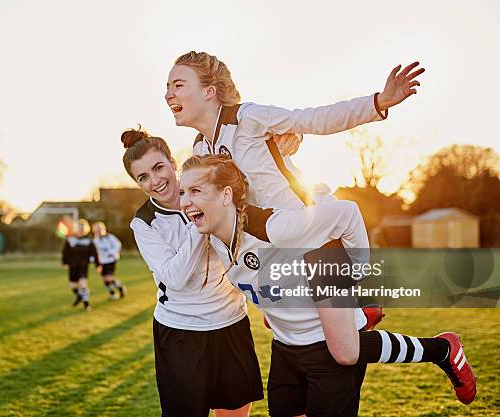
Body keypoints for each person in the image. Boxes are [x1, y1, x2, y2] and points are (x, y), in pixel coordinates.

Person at [179, 154, 477, 417]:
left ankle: (441, 349)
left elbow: (344, 212)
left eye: (195, 191)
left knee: (346, 351)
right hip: (285, 347)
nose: (185, 201)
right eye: (183, 192)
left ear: (225, 195)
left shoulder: (274, 226)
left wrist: (356, 275)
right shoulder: (212, 239)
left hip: (325, 345)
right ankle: (364, 318)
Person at [166, 50, 389, 330]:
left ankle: (362, 291)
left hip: (314, 234)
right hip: (279, 250)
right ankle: (385, 325)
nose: (168, 95)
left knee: (337, 350)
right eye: (167, 87)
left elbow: (314, 119)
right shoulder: (201, 149)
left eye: (178, 85)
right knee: (315, 342)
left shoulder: (247, 118)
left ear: (209, 91)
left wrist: (378, 103)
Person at [122, 127, 263, 417]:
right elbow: (174, 278)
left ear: (173, 163)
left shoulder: (209, 183)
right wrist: (200, 218)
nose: (156, 180)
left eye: (159, 167)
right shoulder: (144, 223)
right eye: (143, 177)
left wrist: (290, 140)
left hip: (230, 323)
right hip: (181, 333)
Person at [61, 219, 98, 312]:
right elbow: (65, 252)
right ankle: (79, 297)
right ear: (76, 228)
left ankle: (86, 304)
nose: (80, 229)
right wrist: (64, 262)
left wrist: (97, 264)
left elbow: (94, 253)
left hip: (83, 265)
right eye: (79, 227)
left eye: (82, 227)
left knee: (83, 284)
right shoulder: (70, 239)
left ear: (86, 228)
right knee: (73, 286)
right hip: (72, 265)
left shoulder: (88, 240)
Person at [92, 221, 126, 299]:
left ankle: (120, 288)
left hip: (111, 260)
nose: (99, 230)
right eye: (97, 229)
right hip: (101, 262)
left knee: (109, 277)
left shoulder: (110, 237)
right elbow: (94, 253)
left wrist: (112, 252)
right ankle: (112, 293)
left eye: (100, 228)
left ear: (104, 229)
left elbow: (118, 245)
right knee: (105, 280)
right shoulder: (95, 241)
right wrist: (95, 261)